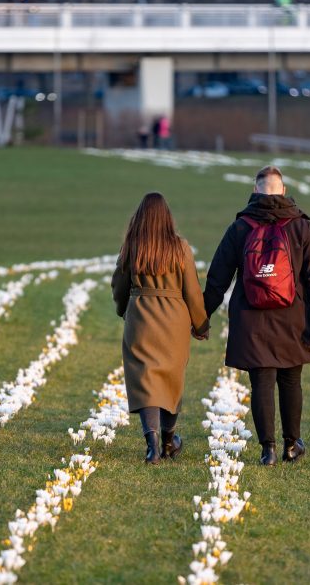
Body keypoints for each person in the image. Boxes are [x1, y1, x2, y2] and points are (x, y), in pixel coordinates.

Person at [203, 165, 310, 466]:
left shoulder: (240, 227)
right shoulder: (300, 226)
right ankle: (292, 444)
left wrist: (201, 317)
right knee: (290, 379)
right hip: (292, 315)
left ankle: (267, 449)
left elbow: (217, 278)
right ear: (283, 190)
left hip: (251, 317)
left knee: (261, 382)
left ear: (256, 190)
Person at [111, 192, 209, 464]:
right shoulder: (180, 248)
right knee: (170, 379)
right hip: (174, 322)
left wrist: (123, 310)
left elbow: (119, 285)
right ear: (167, 218)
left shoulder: (133, 245)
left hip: (141, 318)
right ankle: (168, 439)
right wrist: (201, 324)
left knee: (146, 380)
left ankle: (152, 445)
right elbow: (192, 290)